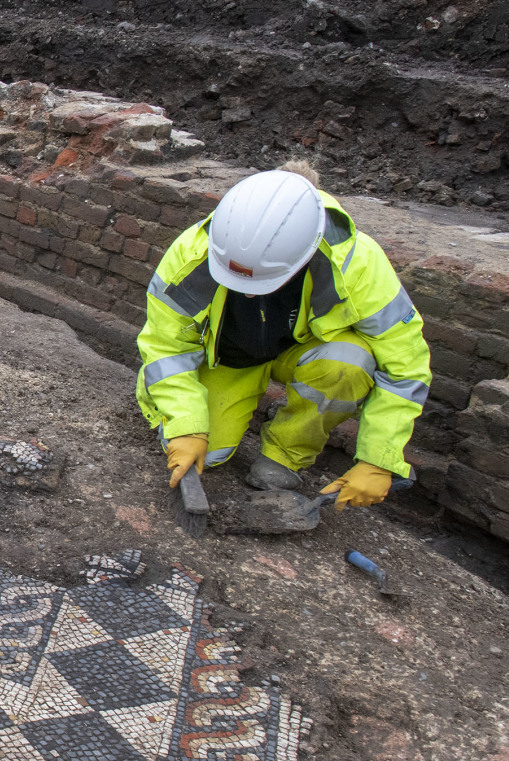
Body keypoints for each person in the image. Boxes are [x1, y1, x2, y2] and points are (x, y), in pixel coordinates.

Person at [138, 167, 431, 508]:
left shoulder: (356, 263)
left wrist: (380, 458)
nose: (247, 295)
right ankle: (179, 406)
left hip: (303, 352)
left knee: (350, 364)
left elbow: (405, 367)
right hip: (229, 360)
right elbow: (165, 345)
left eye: (260, 283)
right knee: (209, 451)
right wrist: (186, 423)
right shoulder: (193, 254)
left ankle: (285, 453)